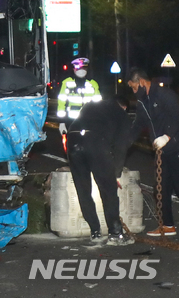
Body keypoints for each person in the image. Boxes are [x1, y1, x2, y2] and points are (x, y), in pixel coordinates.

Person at [66, 96, 134, 245]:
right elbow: (121, 146)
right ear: (124, 107)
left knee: (83, 189)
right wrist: (116, 173)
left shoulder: (91, 105)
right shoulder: (121, 114)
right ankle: (115, 234)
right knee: (108, 190)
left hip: (73, 139)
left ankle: (95, 232)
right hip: (95, 142)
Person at [128, 68, 179, 237]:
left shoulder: (165, 95)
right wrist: (124, 142)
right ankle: (168, 225)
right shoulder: (143, 102)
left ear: (142, 82)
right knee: (161, 189)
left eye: (134, 87)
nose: (134, 92)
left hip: (175, 147)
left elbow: (176, 116)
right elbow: (137, 125)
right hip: (161, 152)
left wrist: (167, 136)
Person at [58, 57, 102, 135]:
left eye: (84, 67)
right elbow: (61, 104)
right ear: (74, 69)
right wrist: (61, 122)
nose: (81, 70)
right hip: (71, 121)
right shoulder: (66, 83)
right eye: (78, 67)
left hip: (89, 120)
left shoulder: (93, 83)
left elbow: (99, 104)